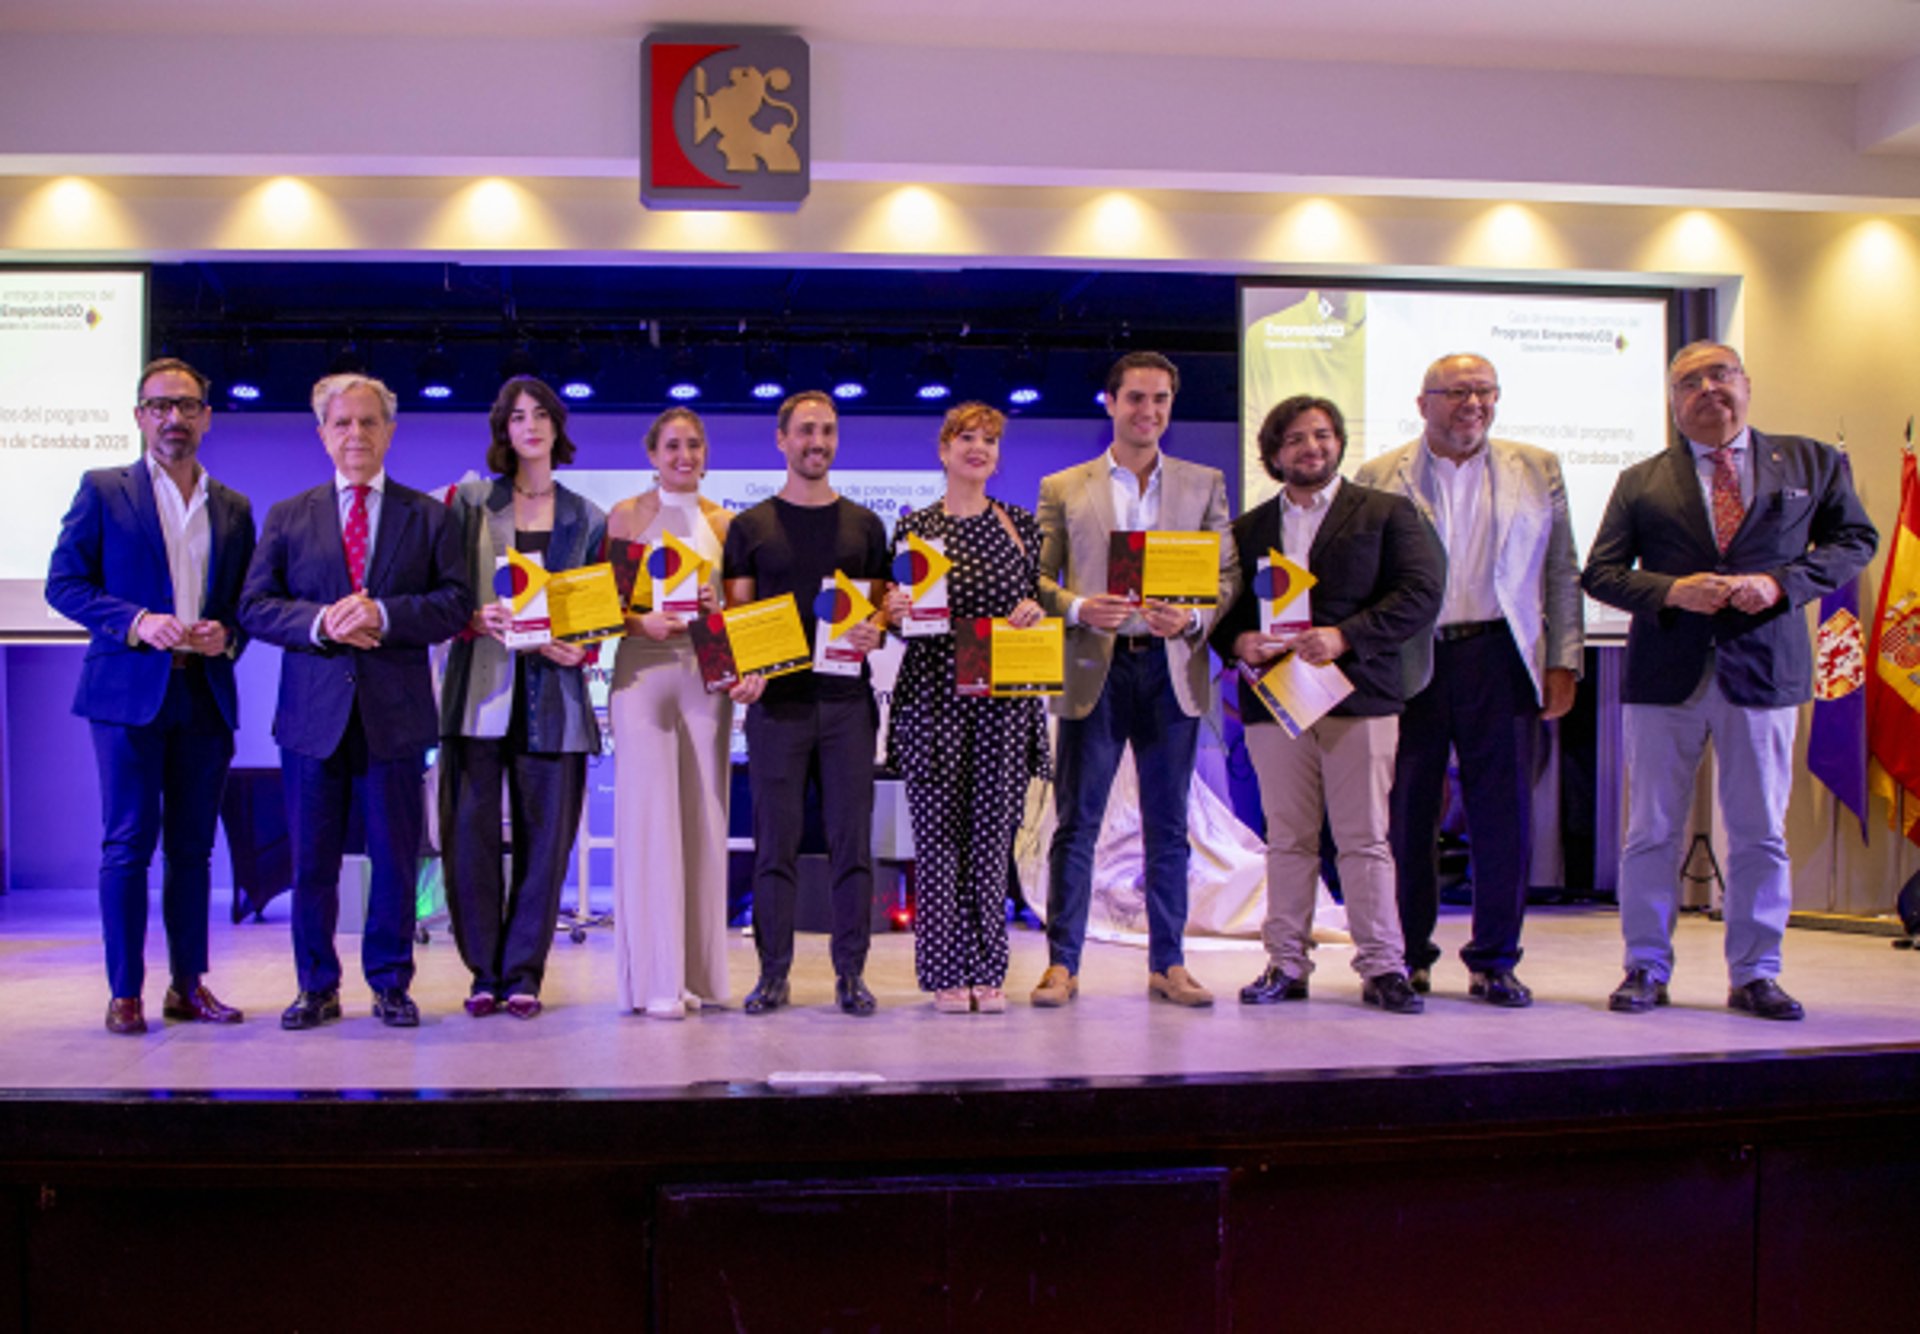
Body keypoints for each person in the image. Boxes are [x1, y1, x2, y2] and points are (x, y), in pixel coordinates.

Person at [1582, 341, 1876, 1020]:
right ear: (1673, 401)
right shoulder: (1641, 479)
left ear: (1746, 383)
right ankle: (1645, 968)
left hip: (1766, 672)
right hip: (1665, 678)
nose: (1708, 389)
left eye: (1721, 375)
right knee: (1651, 830)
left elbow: (1854, 542)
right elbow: (1600, 573)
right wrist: (1671, 591)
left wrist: (1780, 583)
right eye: (1690, 382)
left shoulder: (1809, 462)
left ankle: (1756, 974)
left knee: (1758, 832)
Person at [240, 373, 470, 1030]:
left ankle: (391, 983)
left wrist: (384, 613)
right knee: (311, 861)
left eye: (369, 422)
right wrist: (322, 623)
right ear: (322, 435)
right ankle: (316, 987)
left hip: (394, 718)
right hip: (313, 720)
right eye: (342, 423)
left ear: (390, 432)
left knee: (396, 860)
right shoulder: (289, 514)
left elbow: (454, 603)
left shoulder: (428, 516)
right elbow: (255, 606)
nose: (356, 435)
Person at [1354, 353, 1583, 1007]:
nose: (1472, 404)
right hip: (1411, 663)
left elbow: (1561, 571)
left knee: (1504, 816)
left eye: (1484, 391)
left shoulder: (1536, 467)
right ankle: (1408, 958)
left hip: (1502, 657)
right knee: (1407, 815)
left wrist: (1563, 661)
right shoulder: (1379, 474)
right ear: (1423, 402)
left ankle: (1495, 960)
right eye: (1457, 392)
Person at [46, 357, 256, 1035]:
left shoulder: (233, 506)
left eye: (187, 406)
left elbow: (248, 606)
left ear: (207, 417)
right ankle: (125, 992)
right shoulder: (104, 490)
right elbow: (64, 585)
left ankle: (188, 986)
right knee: (127, 846)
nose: (174, 419)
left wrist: (228, 633)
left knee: (193, 851)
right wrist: (137, 622)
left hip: (204, 697)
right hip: (125, 697)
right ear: (140, 416)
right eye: (160, 406)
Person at [1213, 395, 1442, 1013]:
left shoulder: (1387, 512)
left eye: (1321, 435)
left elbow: (1421, 593)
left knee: (1365, 838)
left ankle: (1383, 966)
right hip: (1275, 700)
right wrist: (1238, 640)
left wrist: (1346, 637)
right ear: (1274, 454)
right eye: (1294, 439)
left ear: (1338, 443)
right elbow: (1222, 612)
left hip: (1359, 696)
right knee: (1287, 839)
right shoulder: (1247, 529)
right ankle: (1286, 963)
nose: (1310, 447)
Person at [1032, 351, 1237, 1008]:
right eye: (1136, 398)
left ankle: (1168, 964)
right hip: (1096, 664)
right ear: (1110, 403)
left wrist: (1194, 617)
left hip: (1170, 669)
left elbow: (1227, 578)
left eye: (1160, 400)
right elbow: (1035, 576)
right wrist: (1077, 607)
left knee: (1168, 827)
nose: (1148, 412)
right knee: (1077, 823)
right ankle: (1062, 964)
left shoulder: (1204, 483)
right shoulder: (1065, 486)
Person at [440, 377, 604, 1020]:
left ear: (557, 427)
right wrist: (473, 617)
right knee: (469, 839)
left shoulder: (586, 516)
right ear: (502, 431)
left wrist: (581, 649)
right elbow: (444, 593)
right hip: (477, 695)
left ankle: (525, 973)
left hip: (556, 704)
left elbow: (595, 616)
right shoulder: (470, 503)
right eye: (516, 416)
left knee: (547, 845)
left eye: (540, 414)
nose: (529, 425)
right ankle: (483, 971)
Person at [722, 391, 889, 1015]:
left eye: (826, 431)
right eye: (804, 432)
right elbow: (737, 618)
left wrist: (878, 628)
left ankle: (851, 975)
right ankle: (773, 975)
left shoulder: (866, 527)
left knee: (852, 846)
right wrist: (741, 670)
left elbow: (876, 612)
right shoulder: (751, 527)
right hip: (777, 710)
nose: (816, 442)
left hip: (847, 704)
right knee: (775, 848)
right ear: (781, 440)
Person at [881, 403, 1051, 1014]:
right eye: (966, 438)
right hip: (934, 700)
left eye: (990, 440)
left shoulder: (1023, 528)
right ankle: (947, 972)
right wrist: (895, 615)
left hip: (1003, 704)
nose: (979, 448)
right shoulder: (914, 529)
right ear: (944, 450)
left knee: (990, 840)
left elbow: (1039, 605)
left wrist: (1035, 612)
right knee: (939, 841)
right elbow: (902, 624)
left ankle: (988, 968)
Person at [607, 406, 734, 1019]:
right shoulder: (629, 515)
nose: (685, 456)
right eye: (673, 446)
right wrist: (641, 620)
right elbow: (607, 607)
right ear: (653, 454)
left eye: (694, 445)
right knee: (649, 822)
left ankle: (697, 977)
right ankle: (655, 981)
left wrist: (713, 611)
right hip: (640, 668)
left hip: (702, 673)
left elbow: (739, 618)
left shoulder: (724, 522)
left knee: (704, 821)